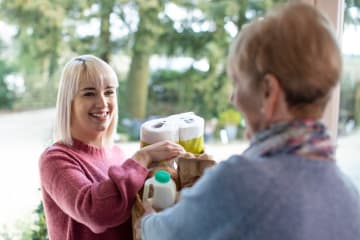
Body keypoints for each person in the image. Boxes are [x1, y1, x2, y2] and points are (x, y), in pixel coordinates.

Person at [141, 2, 360, 240]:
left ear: (269, 92)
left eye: (238, 83)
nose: (233, 98)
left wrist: (148, 219)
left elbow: (165, 234)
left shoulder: (239, 181)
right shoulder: (349, 196)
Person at [39, 54, 184, 240]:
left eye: (109, 92)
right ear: (69, 101)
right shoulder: (55, 159)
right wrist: (142, 159)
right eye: (89, 93)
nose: (102, 103)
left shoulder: (117, 154)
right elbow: (96, 213)